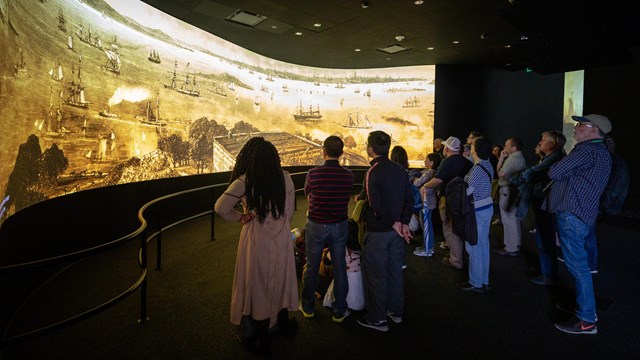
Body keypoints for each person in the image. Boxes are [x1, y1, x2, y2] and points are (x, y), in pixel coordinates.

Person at [214, 137, 298, 354]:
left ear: (248, 157)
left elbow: (221, 207)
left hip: (256, 238)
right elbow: (288, 213)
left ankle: (258, 335)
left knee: (257, 284)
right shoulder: (286, 179)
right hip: (280, 236)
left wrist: (240, 218)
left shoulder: (244, 181)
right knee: (281, 278)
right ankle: (280, 322)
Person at [545, 114, 612, 335]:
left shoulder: (586, 150)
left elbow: (554, 172)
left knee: (579, 267)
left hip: (572, 215)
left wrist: (564, 169)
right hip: (583, 214)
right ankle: (583, 308)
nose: (576, 127)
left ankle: (587, 320)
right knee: (579, 266)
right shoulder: (602, 152)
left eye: (581, 125)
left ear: (594, 130)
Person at [357, 131, 413, 332]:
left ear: (370, 149)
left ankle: (378, 319)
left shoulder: (373, 171)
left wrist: (394, 223)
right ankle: (395, 312)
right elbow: (410, 200)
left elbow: (375, 206)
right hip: (397, 233)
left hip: (379, 232)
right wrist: (403, 223)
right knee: (394, 272)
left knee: (377, 275)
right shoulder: (400, 171)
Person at [299, 135, 354, 323]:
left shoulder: (313, 174)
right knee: (339, 267)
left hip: (316, 225)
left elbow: (307, 193)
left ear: (323, 152)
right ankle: (339, 310)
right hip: (339, 226)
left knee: (313, 266)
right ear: (342, 153)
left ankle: (307, 307)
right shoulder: (348, 175)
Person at [512, 131, 566, 285]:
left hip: (546, 203)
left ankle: (548, 275)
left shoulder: (555, 158)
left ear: (552, 144)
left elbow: (530, 174)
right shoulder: (550, 158)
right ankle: (547, 272)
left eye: (543, 140)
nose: (540, 142)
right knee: (544, 239)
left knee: (545, 241)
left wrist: (521, 177)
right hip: (544, 202)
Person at [421, 136, 473, 270]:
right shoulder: (467, 162)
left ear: (447, 148)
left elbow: (438, 180)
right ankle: (461, 255)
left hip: (449, 198)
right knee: (460, 227)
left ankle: (455, 259)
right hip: (464, 199)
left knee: (450, 228)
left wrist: (425, 186)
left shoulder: (447, 162)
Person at [458, 137, 494, 293]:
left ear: (476, 149)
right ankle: (483, 279)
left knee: (473, 246)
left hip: (477, 210)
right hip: (486, 206)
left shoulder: (478, 168)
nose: (470, 147)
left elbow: (468, 191)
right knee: (483, 245)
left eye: (472, 145)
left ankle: (475, 282)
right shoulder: (487, 165)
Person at [494, 137, 526, 256]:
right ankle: (514, 245)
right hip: (512, 190)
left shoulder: (513, 158)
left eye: (507, 145)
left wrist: (502, 158)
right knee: (512, 219)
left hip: (508, 190)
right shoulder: (517, 157)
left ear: (514, 147)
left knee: (508, 220)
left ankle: (511, 248)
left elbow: (500, 173)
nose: (505, 147)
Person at [412, 153, 442, 257]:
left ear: (432, 162)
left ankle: (428, 249)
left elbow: (416, 183)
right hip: (427, 202)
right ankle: (426, 246)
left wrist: (415, 178)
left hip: (426, 203)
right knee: (425, 225)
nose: (424, 161)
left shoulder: (429, 173)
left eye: (426, 159)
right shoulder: (430, 172)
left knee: (426, 226)